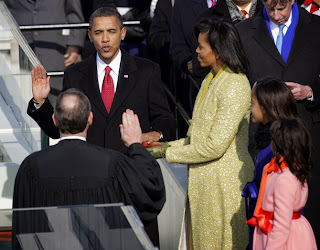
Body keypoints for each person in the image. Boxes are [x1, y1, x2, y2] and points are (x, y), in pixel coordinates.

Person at [149, 18, 254, 249]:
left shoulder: (235, 84)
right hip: (205, 186)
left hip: (224, 189)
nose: (195, 51)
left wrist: (167, 153)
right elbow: (196, 138)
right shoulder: (211, 78)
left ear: (218, 51)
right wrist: (163, 145)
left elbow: (214, 146)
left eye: (200, 47)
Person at [14, 88, 166, 247]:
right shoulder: (113, 163)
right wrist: (135, 144)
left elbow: (23, 229)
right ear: (90, 118)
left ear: (54, 119)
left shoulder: (31, 167)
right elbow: (150, 190)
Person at [27, 7, 176, 153]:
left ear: (122, 33)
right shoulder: (74, 75)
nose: (105, 39)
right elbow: (60, 130)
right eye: (99, 32)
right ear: (90, 36)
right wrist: (40, 102)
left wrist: (157, 133)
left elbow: (165, 119)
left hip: (132, 167)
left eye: (111, 31)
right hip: (90, 169)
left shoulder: (147, 71)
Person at [236, 0, 320, 243]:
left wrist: (311, 92)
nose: (276, 15)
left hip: (308, 140)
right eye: (270, 9)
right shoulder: (244, 32)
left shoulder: (315, 28)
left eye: (281, 9)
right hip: (263, 142)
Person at [242, 78, 301, 249]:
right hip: (264, 220)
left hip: (276, 228)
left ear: (267, 107)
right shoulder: (268, 139)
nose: (249, 107)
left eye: (253, 103)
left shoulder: (279, 148)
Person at [247, 118, 317, 249]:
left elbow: (282, 225)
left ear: (279, 144)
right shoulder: (289, 170)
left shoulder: (285, 179)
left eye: (272, 140)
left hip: (283, 240)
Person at [5, 0, 86, 102]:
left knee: (56, 98)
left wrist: (75, 43)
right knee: (20, 100)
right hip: (17, 49)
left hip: (54, 47)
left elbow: (74, 12)